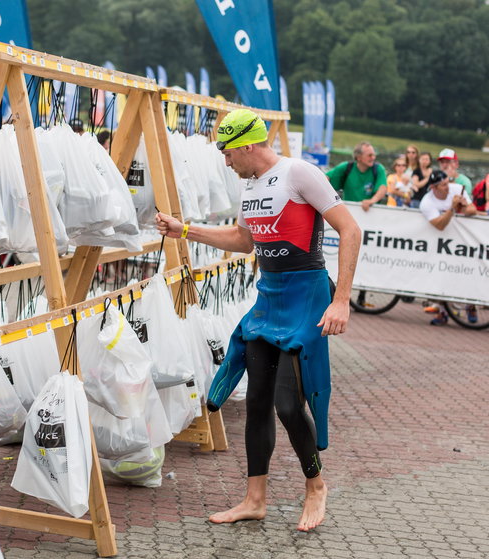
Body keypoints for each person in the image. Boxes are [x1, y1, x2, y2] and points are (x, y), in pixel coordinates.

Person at [156, 109, 361, 532]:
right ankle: (255, 499)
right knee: (256, 402)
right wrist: (185, 231)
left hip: (307, 297)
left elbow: (350, 229)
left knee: (289, 404)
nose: (226, 162)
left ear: (248, 145)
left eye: (228, 153)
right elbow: (244, 240)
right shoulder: (250, 186)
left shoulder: (299, 173)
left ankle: (316, 485)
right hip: (269, 298)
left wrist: (340, 300)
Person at [419, 170, 477, 325]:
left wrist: (463, 207)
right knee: (442, 279)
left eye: (447, 182)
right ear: (434, 188)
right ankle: (443, 313)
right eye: (443, 185)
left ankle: (470, 305)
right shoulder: (427, 202)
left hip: (462, 244)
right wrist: (452, 208)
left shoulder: (457, 188)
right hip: (441, 245)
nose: (448, 186)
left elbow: (473, 210)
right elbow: (439, 225)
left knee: (467, 274)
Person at [325, 142, 387, 211]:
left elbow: (383, 188)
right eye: (369, 155)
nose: (373, 157)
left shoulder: (378, 169)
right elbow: (325, 178)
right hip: (349, 211)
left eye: (374, 155)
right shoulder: (346, 167)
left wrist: (371, 201)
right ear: (358, 157)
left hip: (370, 212)